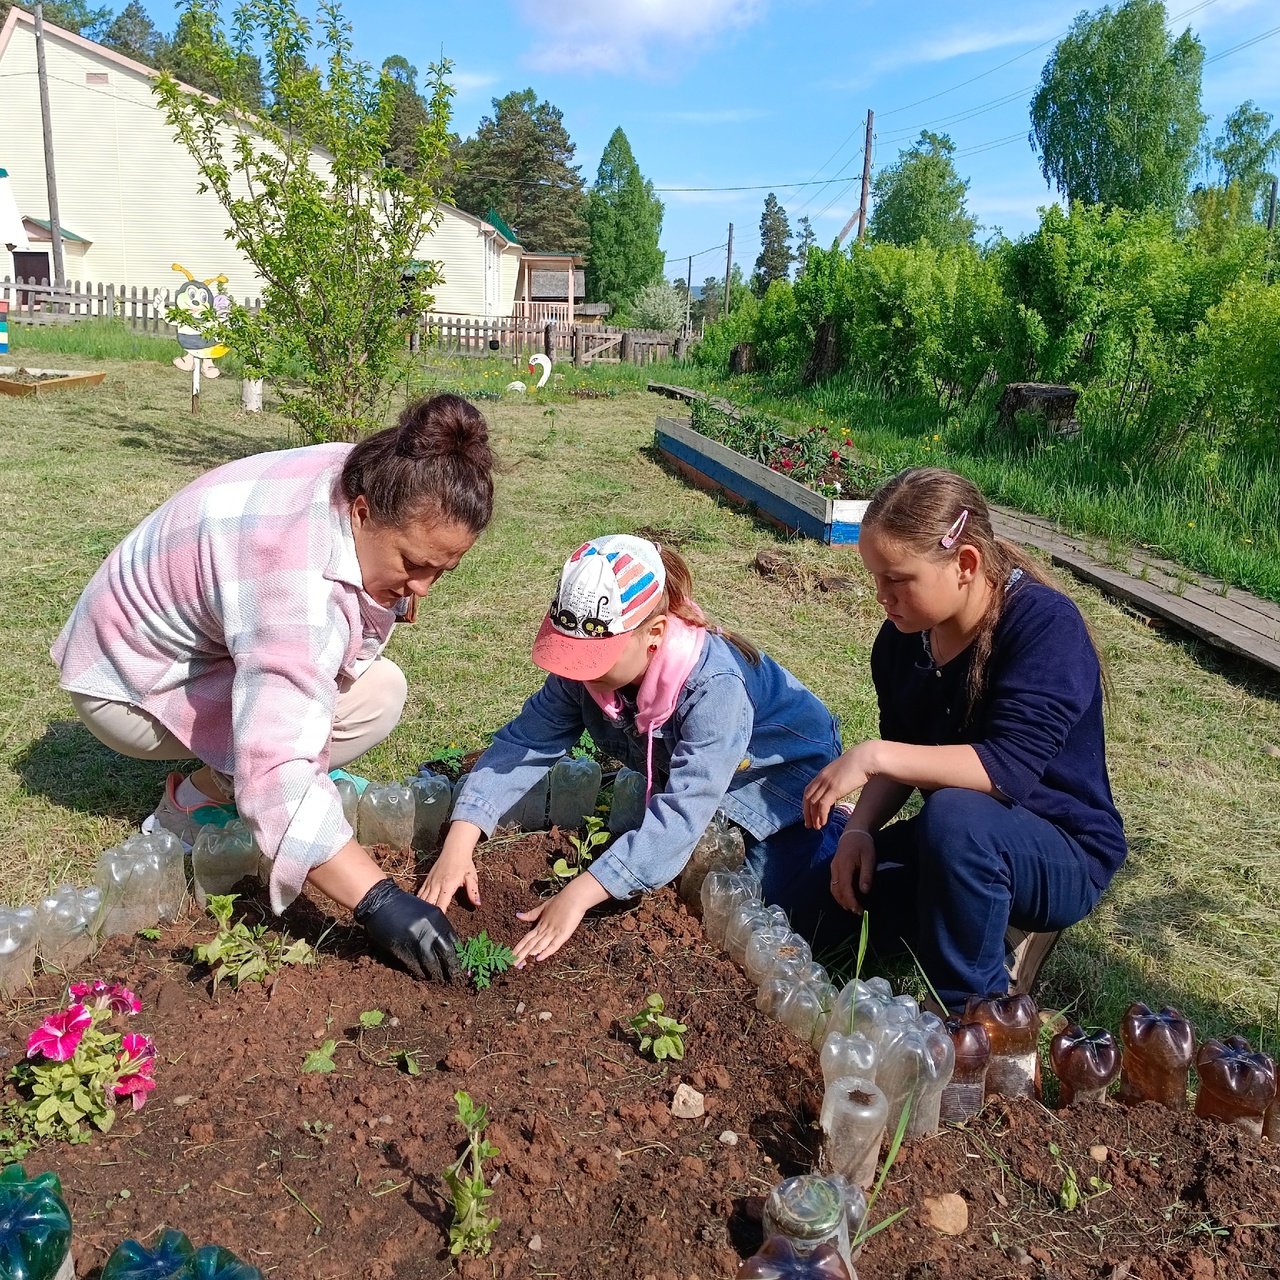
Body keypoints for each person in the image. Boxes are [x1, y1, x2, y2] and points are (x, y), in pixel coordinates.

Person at [51, 393, 495, 982]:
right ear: (362, 513)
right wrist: (381, 901)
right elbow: (278, 773)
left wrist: (398, 587)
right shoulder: (296, 581)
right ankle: (193, 804)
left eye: (444, 570)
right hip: (129, 679)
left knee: (379, 691)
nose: (424, 590)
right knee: (298, 751)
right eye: (414, 564)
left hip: (192, 643)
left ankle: (226, 774)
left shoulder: (380, 472)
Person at [420, 535, 848, 963]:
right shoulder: (588, 672)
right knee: (696, 874)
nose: (577, 672)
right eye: (571, 654)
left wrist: (580, 893)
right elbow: (527, 741)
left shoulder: (716, 691)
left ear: (654, 635)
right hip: (713, 773)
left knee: (770, 909)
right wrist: (460, 841)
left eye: (593, 659)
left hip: (783, 782)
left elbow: (681, 814)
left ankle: (840, 832)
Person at [802, 468, 1126, 1011]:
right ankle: (976, 920)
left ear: (966, 564)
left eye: (897, 580)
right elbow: (907, 752)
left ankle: (974, 1018)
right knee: (821, 906)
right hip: (956, 841)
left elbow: (1005, 771)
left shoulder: (1045, 627)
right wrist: (857, 830)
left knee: (957, 818)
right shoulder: (903, 641)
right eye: (875, 577)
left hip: (1058, 848)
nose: (881, 596)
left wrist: (873, 755)